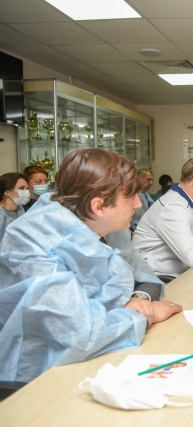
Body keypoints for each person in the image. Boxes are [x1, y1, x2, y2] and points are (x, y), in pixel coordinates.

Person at [0, 149, 182, 383]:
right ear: (98, 206)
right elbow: (77, 336)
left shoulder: (98, 223)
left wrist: (136, 301)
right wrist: (144, 315)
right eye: (130, 198)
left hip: (94, 356)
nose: (138, 204)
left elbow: (136, 276)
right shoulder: (33, 240)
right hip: (38, 378)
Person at [0, 173, 29, 241]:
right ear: (7, 192)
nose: (26, 192)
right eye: (21, 188)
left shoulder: (21, 210)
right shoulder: (1, 213)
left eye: (27, 188)